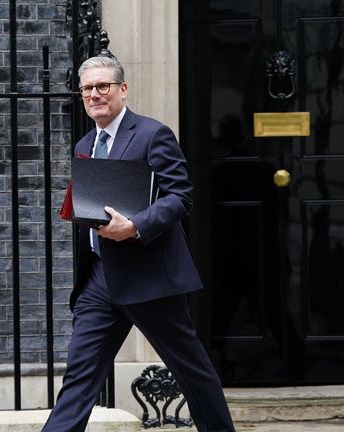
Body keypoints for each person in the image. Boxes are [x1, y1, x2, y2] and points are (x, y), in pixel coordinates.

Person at [42, 56, 235, 432]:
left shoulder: (151, 134)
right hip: (99, 280)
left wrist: (135, 226)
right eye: (87, 89)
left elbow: (180, 196)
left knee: (191, 371)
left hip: (149, 279)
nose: (95, 95)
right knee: (79, 378)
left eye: (103, 87)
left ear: (122, 90)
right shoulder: (85, 143)